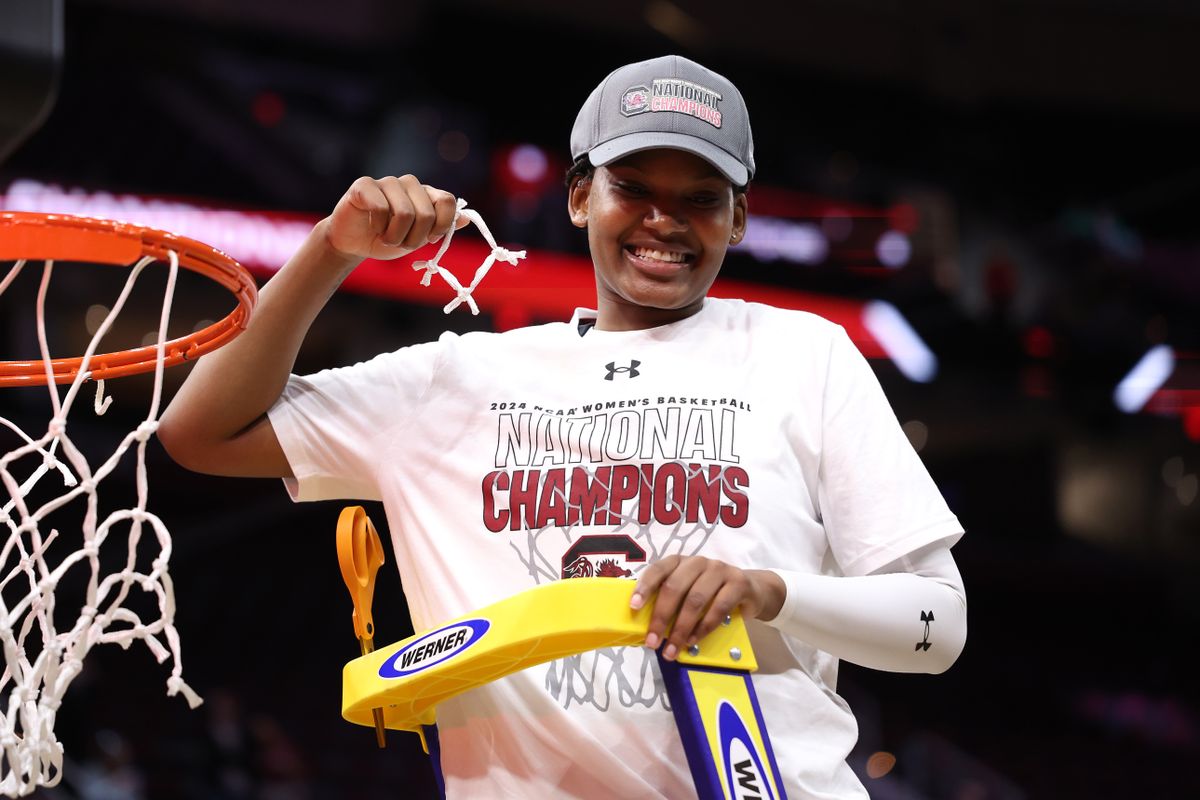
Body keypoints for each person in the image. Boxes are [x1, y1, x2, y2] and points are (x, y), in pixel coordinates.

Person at [159, 55, 967, 799]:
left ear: (740, 217)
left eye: (700, 198)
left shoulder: (803, 354)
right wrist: (330, 250)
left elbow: (938, 627)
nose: (665, 220)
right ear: (581, 197)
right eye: (634, 188)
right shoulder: (455, 381)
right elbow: (199, 432)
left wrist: (770, 592)